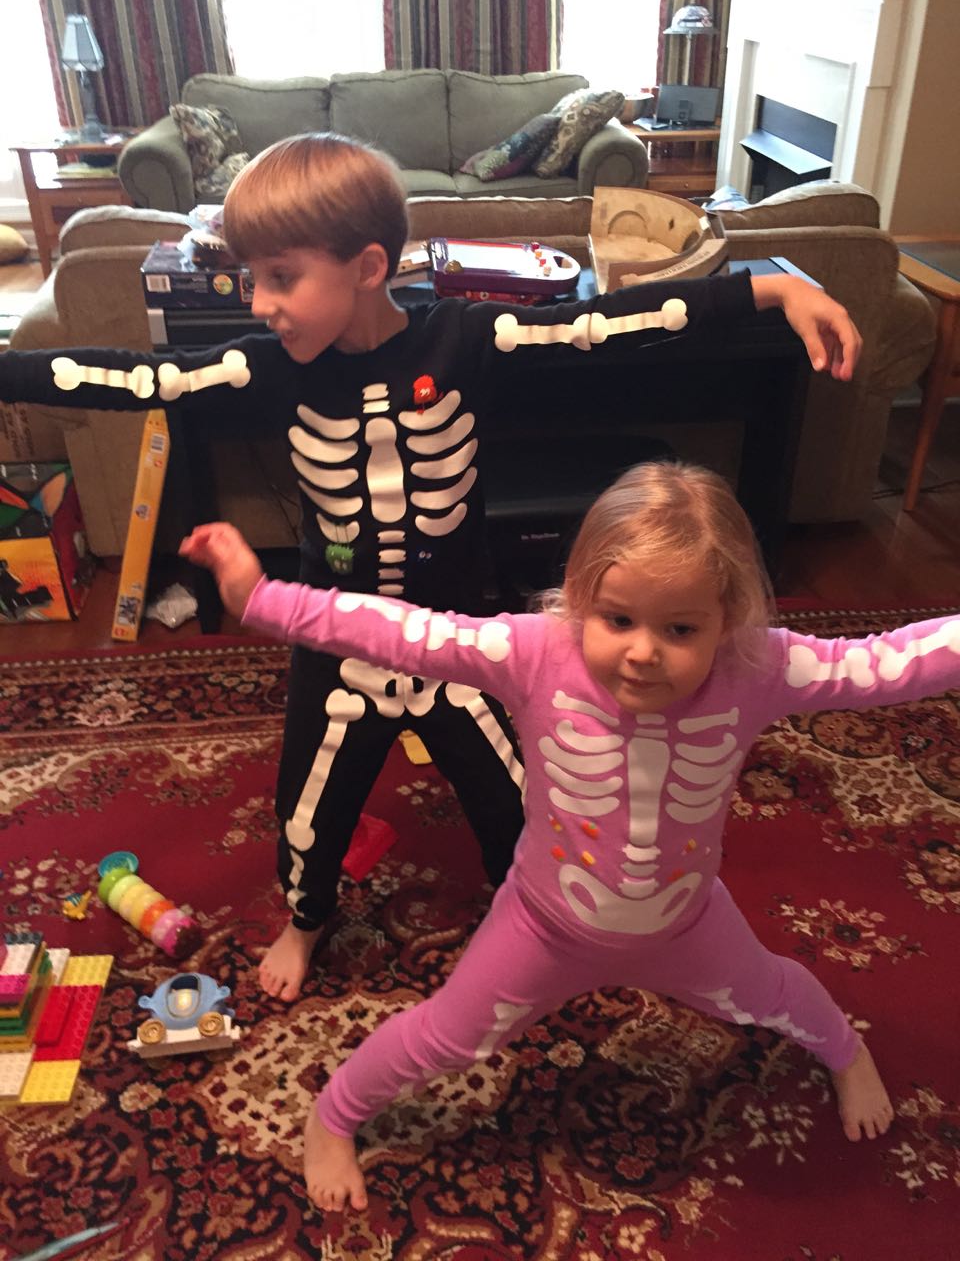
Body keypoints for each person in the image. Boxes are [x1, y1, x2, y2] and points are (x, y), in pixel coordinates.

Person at [0, 133, 862, 1004]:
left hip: (462, 640)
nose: (260, 304)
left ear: (368, 266)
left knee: (524, 806)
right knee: (307, 810)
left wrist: (769, 288)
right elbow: (139, 380)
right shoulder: (265, 366)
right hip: (337, 640)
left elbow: (602, 324)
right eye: (253, 278)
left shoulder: (466, 336)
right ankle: (307, 919)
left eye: (282, 277)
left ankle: (536, 915)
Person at [180, 456, 960, 1214]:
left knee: (777, 993)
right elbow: (408, 633)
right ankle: (334, 1114)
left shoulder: (756, 666)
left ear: (728, 618)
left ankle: (846, 1051)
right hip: (542, 924)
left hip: (688, 924)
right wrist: (263, 598)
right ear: (580, 596)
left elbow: (885, 663)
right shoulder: (535, 650)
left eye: (680, 628)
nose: (644, 650)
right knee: (444, 1037)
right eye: (618, 619)